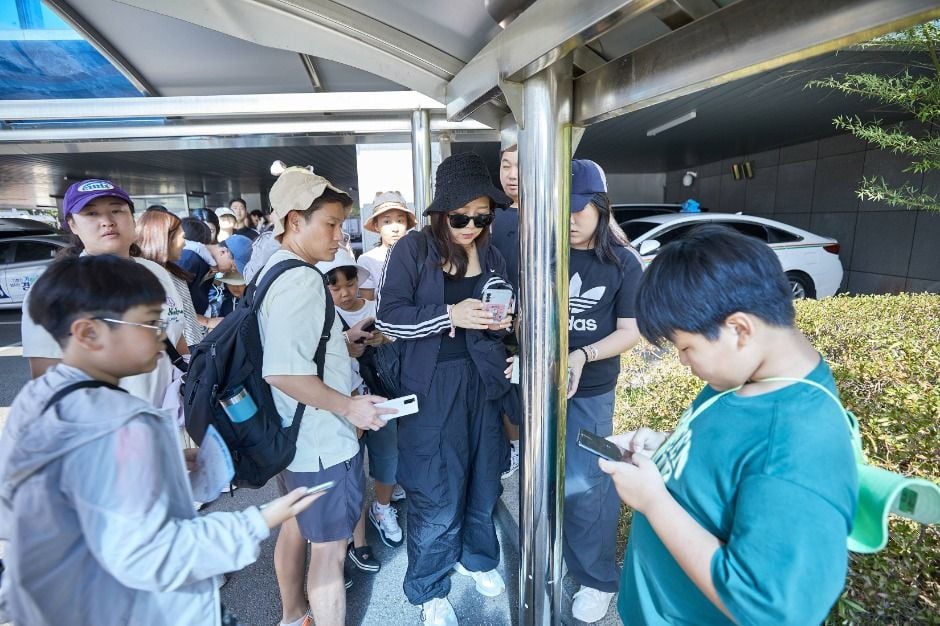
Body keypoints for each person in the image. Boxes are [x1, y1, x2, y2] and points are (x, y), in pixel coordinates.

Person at [0, 254, 322, 626]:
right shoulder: (124, 423)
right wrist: (259, 520)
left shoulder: (39, 400)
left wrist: (160, 461)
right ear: (88, 334)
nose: (163, 333)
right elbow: (152, 552)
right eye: (150, 322)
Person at [600, 225, 858, 625]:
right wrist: (666, 447)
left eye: (687, 347)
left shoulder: (800, 443)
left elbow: (770, 609)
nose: (684, 361)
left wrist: (653, 501)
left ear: (739, 329)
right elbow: (728, 465)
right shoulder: (747, 378)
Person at [376, 152, 515, 626]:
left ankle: (476, 558)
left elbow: (499, 317)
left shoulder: (492, 255)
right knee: (435, 486)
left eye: (482, 217)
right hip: (430, 385)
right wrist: (449, 315)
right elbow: (388, 318)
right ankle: (429, 587)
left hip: (483, 379)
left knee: (483, 475)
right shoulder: (412, 249)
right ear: (441, 213)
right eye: (461, 217)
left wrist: (502, 320)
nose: (472, 226)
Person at [258, 166, 392, 626]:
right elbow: (282, 371)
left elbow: (295, 351)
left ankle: (293, 617)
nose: (340, 236)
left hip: (293, 435)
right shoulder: (300, 280)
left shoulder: (274, 268)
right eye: (331, 224)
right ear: (295, 221)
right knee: (330, 552)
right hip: (321, 441)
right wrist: (350, 406)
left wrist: (343, 343)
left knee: (295, 528)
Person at [558, 160, 643, 623]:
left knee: (588, 483)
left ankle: (597, 579)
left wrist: (582, 354)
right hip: (540, 389)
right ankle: (558, 555)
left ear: (601, 206)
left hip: (590, 392)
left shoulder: (622, 262)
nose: (570, 221)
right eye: (562, 211)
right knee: (546, 481)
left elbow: (630, 331)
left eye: (579, 210)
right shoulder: (547, 254)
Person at [21, 179, 187, 407]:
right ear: (73, 225)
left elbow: (177, 340)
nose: (107, 222)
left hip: (171, 418)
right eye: (91, 214)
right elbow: (46, 379)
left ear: (132, 218)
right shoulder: (55, 289)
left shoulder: (156, 272)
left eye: (116, 210)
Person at [316, 249, 404, 575]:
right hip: (342, 401)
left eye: (350, 284)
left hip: (380, 396)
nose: (345, 293)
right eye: (335, 287)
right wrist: (344, 346)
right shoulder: (318, 315)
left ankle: (382, 507)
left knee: (388, 456)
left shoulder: (374, 308)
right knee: (349, 470)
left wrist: (382, 339)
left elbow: (397, 338)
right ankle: (355, 538)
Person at [490, 143, 522, 480]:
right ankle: (514, 447)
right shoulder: (492, 215)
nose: (512, 174)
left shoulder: (555, 213)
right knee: (504, 386)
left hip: (539, 323)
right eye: (506, 166)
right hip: (498, 321)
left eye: (520, 165)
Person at [136, 210, 206, 347]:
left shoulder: (173, 272)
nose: (185, 244)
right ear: (165, 239)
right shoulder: (146, 278)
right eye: (182, 237)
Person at [357, 190, 416, 300]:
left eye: (400, 220)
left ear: (407, 223)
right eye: (387, 222)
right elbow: (368, 304)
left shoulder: (417, 256)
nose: (395, 229)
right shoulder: (367, 260)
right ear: (376, 226)